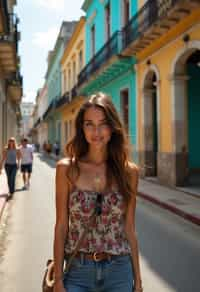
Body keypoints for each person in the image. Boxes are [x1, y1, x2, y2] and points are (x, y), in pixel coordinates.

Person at [53, 92, 143, 292]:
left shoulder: (129, 172)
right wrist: (58, 278)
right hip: (78, 271)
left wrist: (138, 280)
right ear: (81, 129)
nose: (96, 131)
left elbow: (129, 229)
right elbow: (61, 226)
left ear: (112, 128)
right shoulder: (67, 169)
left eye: (103, 123)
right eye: (89, 124)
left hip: (119, 270)